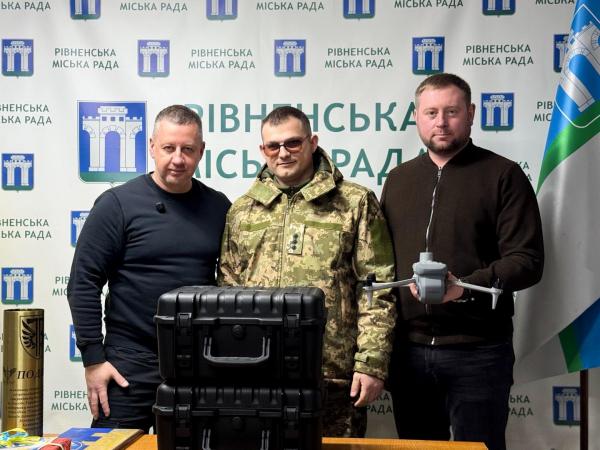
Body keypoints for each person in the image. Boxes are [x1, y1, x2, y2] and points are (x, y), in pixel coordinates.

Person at [380, 73, 544, 450]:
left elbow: (527, 260)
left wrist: (464, 288)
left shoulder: (503, 175)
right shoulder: (398, 179)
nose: (441, 122)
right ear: (416, 117)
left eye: (451, 112)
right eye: (431, 112)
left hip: (478, 351)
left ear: (470, 114)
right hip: (409, 351)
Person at [218, 106, 396, 437]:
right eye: (273, 146)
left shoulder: (354, 202)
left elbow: (377, 288)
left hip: (333, 377)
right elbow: (228, 294)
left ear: (312, 143)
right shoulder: (242, 210)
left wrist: (371, 362)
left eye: (293, 143)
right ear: (263, 150)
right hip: (259, 373)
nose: (283, 153)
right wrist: (232, 364)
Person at [67, 105, 230, 431]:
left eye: (187, 149)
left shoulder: (219, 207)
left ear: (201, 152)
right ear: (152, 147)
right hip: (129, 363)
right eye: (169, 148)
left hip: (197, 363)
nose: (178, 159)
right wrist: (93, 360)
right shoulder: (117, 204)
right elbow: (83, 282)